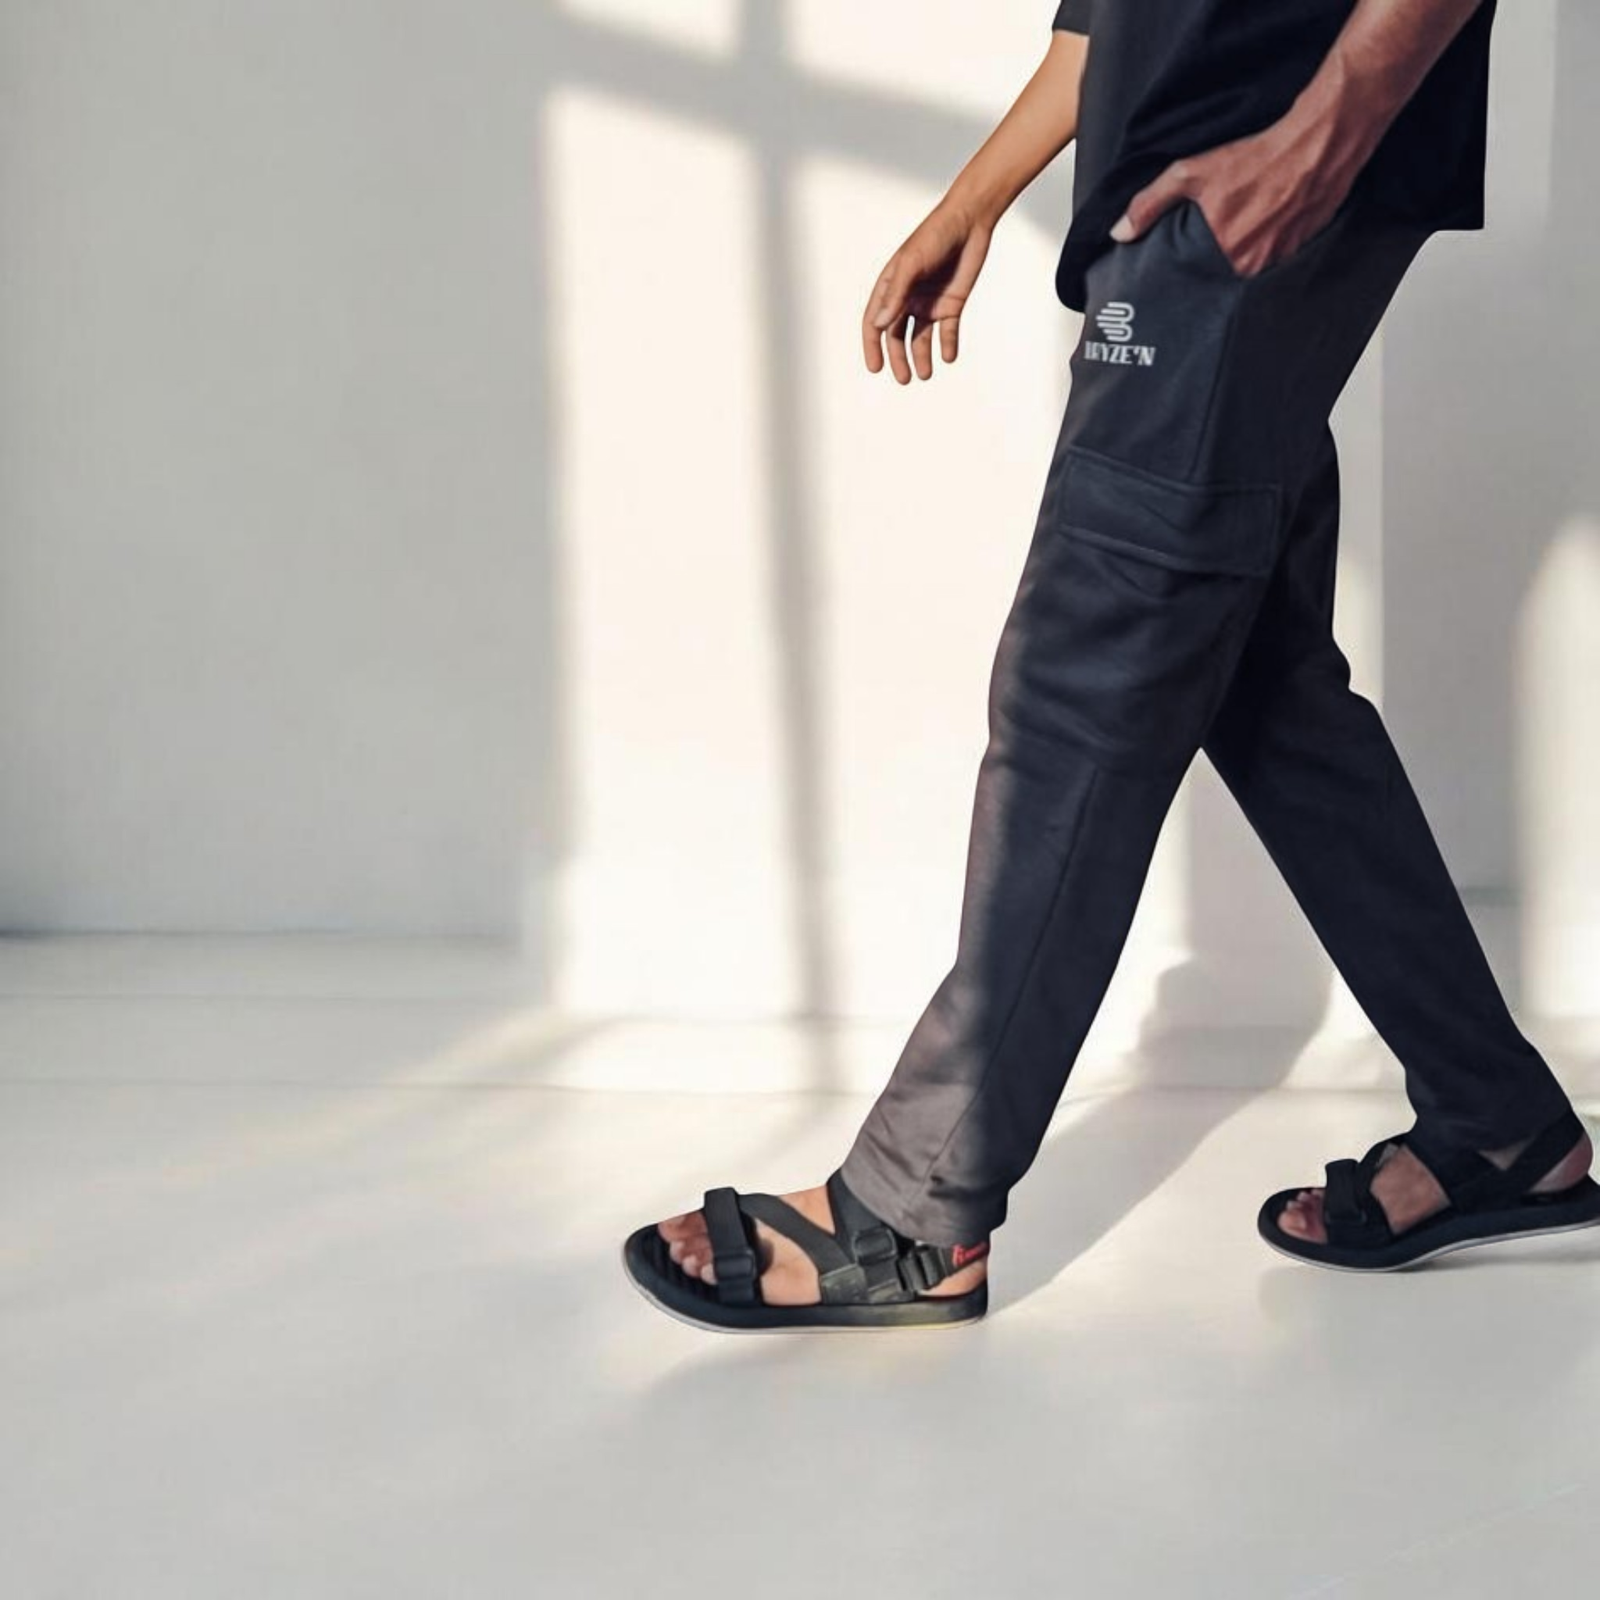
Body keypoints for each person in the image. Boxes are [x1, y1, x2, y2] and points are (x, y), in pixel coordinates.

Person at [623, 0, 1600, 1332]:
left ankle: (912, 1214)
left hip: (1249, 179)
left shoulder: (1282, 160)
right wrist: (974, 199)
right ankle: (1498, 1123)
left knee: (1084, 683)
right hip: (1194, 195)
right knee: (1262, 685)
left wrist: (1317, 140)